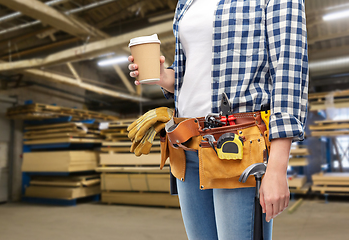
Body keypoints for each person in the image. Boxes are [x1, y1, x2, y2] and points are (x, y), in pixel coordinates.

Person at [128, 0, 308, 239]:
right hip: (187, 147)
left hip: (238, 147)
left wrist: (277, 168)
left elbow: (289, 71)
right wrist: (163, 76)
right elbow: (187, 74)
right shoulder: (186, 2)